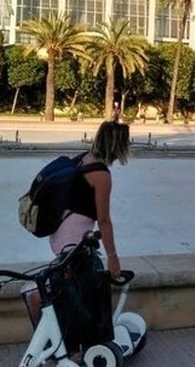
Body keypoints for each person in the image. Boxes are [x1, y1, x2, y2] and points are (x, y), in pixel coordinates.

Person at [48, 118, 131, 355]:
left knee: (76, 293)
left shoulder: (85, 159)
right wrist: (113, 256)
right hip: (73, 243)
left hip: (61, 237)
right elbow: (104, 219)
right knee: (83, 298)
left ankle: (75, 348)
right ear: (118, 147)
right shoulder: (101, 174)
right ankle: (77, 352)